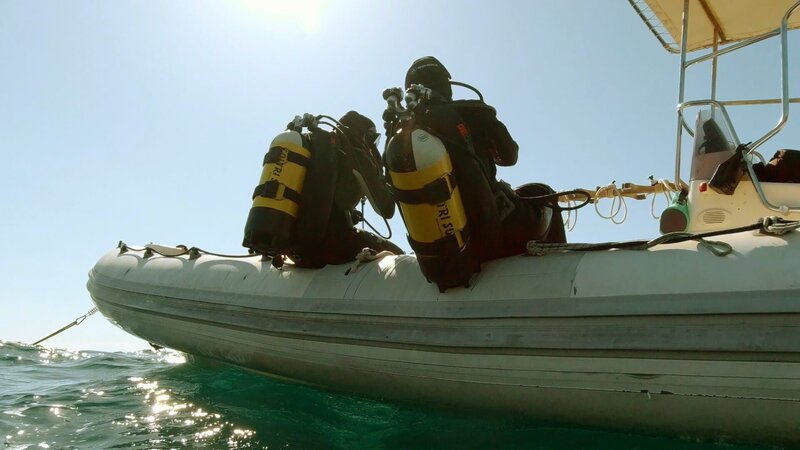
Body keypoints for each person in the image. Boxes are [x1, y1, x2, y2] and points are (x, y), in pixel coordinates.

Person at [402, 56, 565, 264]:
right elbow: (509, 157)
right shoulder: (474, 112)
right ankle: (560, 265)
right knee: (541, 192)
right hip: (498, 233)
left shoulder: (402, 135)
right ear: (446, 85)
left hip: (441, 252)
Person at [290, 111, 404, 268]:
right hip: (331, 245)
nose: (372, 145)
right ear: (363, 134)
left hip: (294, 245)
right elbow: (387, 210)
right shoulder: (356, 155)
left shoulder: (319, 148)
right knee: (399, 256)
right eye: (372, 137)